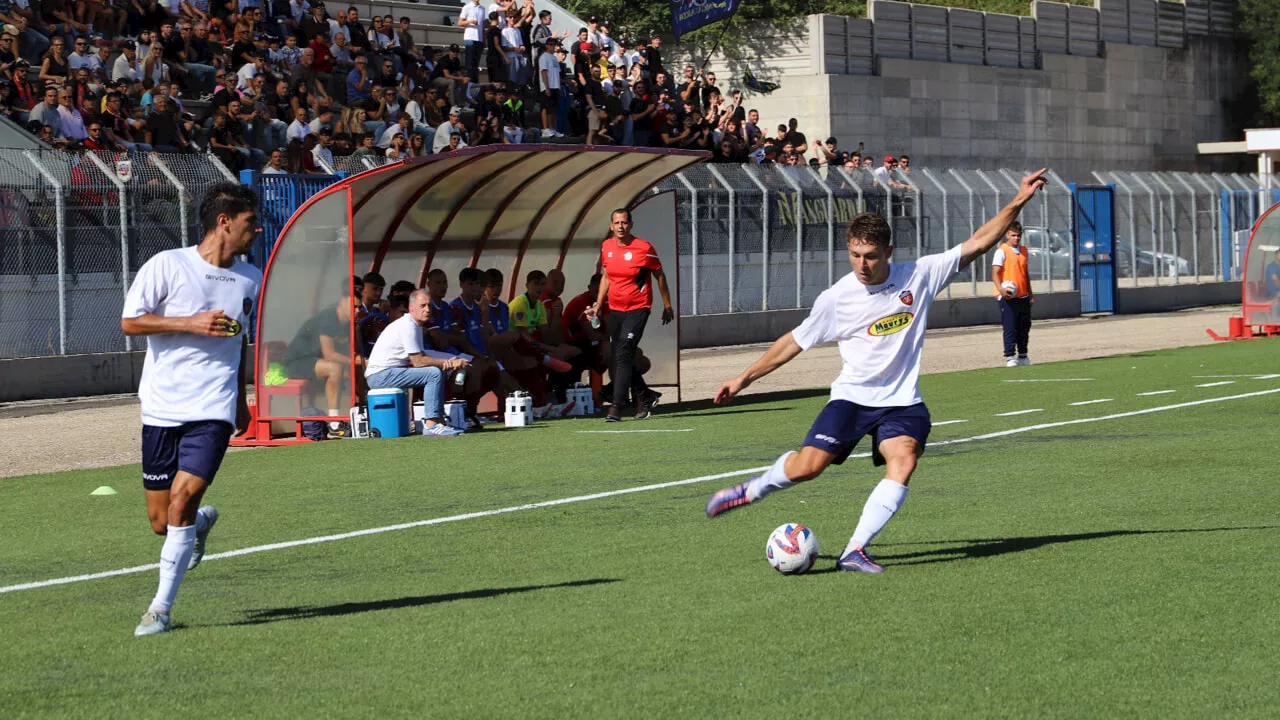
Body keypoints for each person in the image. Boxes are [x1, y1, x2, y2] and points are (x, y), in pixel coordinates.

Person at [702, 170, 1049, 574]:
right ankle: (752, 490)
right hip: (852, 398)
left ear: (888, 251)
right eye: (853, 254)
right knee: (808, 468)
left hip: (902, 401)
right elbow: (793, 342)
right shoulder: (837, 298)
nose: (861, 265)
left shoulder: (919, 274)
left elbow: (979, 241)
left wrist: (1019, 199)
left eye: (869, 256)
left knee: (903, 460)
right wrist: (743, 378)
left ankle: (855, 550)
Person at [119, 183, 263, 636]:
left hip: (213, 407)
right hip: (162, 406)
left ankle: (159, 610)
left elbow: (240, 341)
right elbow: (130, 322)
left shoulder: (251, 279)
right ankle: (200, 524)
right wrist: (189, 322)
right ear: (224, 222)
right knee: (163, 522)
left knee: (179, 502)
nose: (256, 229)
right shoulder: (168, 264)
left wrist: (240, 399)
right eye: (249, 222)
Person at [585, 208, 673, 422]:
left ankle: (616, 405)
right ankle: (644, 396)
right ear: (611, 226)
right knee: (621, 354)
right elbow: (606, 276)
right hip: (615, 309)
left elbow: (659, 275)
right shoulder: (607, 247)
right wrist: (598, 305)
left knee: (624, 350)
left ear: (631, 225)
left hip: (638, 307)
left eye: (624, 222)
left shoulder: (644, 248)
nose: (621, 226)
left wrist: (667, 305)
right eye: (617, 223)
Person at [364, 289, 467, 437]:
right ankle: (431, 425)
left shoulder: (414, 325)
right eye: (423, 306)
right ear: (411, 308)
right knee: (433, 374)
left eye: (429, 306)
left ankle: (438, 420)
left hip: (386, 373)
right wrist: (447, 363)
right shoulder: (409, 326)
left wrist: (449, 361)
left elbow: (422, 356)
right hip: (380, 375)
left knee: (435, 371)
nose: (427, 309)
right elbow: (418, 361)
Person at [992, 220, 1033, 367]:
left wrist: (1030, 293)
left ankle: (1023, 355)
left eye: (1018, 235)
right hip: (1007, 296)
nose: (1016, 238)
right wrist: (1001, 290)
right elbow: (995, 273)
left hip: (1023, 295)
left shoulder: (1024, 250)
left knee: (1025, 326)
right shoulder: (1001, 251)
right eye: (1013, 235)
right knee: (1010, 327)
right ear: (1007, 235)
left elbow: (1025, 273)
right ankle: (1010, 356)